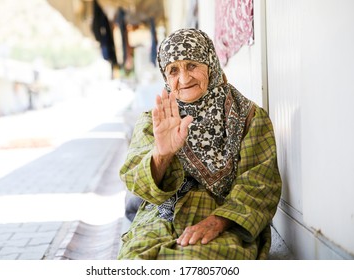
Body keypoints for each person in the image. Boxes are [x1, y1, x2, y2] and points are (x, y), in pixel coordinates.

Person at [118, 28, 282, 260]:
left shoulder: (249, 117)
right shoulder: (154, 121)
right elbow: (136, 184)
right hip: (161, 216)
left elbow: (261, 184)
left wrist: (219, 221)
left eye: (192, 65)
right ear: (165, 77)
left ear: (210, 64)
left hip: (225, 220)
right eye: (173, 70)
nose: (184, 79)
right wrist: (161, 154)